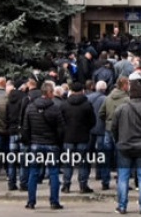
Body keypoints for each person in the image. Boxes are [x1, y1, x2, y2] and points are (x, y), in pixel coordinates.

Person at [112, 81, 141, 215]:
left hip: (124, 146)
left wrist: (118, 140)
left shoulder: (121, 108)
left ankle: (122, 206)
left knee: (123, 177)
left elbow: (114, 128)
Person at [22, 82, 65, 210]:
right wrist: (58, 142)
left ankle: (31, 202)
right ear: (50, 93)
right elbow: (61, 129)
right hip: (52, 144)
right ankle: (54, 202)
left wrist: (29, 142)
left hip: (35, 144)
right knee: (53, 173)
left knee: (33, 173)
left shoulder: (30, 107)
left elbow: (26, 128)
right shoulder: (55, 108)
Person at [60, 81, 96, 193]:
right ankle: (83, 185)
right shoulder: (87, 105)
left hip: (68, 137)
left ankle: (66, 184)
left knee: (68, 162)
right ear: (82, 91)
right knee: (83, 162)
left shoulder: (64, 104)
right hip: (83, 136)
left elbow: (60, 121)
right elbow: (92, 121)